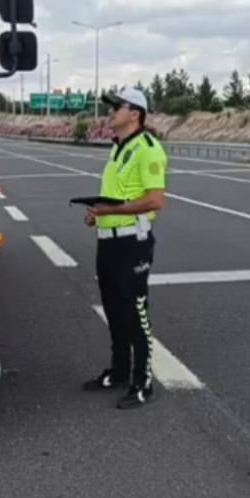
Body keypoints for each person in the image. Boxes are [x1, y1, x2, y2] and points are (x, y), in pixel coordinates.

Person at [82, 85, 168, 409]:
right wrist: (97, 214)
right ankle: (119, 371)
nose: (110, 112)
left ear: (135, 114)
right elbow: (117, 196)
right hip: (108, 242)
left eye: (117, 107)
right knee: (114, 311)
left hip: (132, 243)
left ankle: (142, 381)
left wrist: (111, 211)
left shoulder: (148, 148)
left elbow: (154, 200)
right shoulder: (117, 148)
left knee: (136, 313)